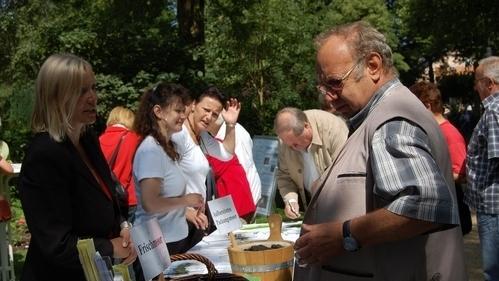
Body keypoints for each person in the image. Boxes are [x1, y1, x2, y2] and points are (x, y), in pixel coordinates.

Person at [293, 21, 466, 281]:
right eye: (324, 87)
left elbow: (425, 205)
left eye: (335, 83)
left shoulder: (392, 119)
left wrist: (344, 235)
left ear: (373, 66)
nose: (329, 96)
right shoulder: (382, 115)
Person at [18, 54, 136, 281]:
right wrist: (110, 247)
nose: (93, 97)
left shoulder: (87, 140)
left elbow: (109, 199)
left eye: (93, 88)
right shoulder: (44, 155)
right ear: (56, 97)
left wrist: (123, 226)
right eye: (81, 91)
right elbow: (57, 245)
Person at [132, 82, 204, 254]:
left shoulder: (166, 147)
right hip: (156, 246)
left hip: (170, 241)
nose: (183, 116)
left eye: (183, 110)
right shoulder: (151, 151)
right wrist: (186, 201)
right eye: (177, 111)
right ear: (158, 112)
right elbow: (150, 203)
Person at [171, 86, 243, 244]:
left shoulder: (202, 135)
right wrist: (184, 211)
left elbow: (226, 155)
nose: (209, 117)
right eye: (206, 109)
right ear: (193, 105)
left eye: (215, 114)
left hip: (194, 221)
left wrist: (230, 125)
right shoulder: (177, 135)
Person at [409, 81, 472, 235]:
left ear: (427, 106)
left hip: (451, 207)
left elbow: (461, 174)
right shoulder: (431, 130)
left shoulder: (450, 134)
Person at [274, 107, 348, 219]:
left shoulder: (333, 128)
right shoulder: (285, 140)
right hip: (310, 203)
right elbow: (284, 176)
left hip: (341, 202)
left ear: (306, 127)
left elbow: (346, 172)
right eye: (288, 145)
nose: (292, 148)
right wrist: (291, 200)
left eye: (295, 144)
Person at [464, 56, 499, 281]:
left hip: (494, 206)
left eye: (476, 81)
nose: (474, 86)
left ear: (489, 83)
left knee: (493, 272)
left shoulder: (494, 111)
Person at [208, 112, 262, 206]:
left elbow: (236, 165)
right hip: (245, 191)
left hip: (241, 194)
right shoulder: (236, 129)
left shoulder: (228, 136)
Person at [99, 106, 141, 223]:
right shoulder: (134, 138)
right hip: (129, 199)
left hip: (108, 200)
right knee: (134, 238)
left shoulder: (99, 140)